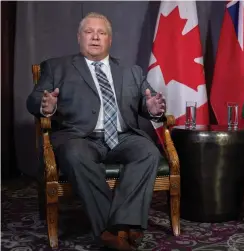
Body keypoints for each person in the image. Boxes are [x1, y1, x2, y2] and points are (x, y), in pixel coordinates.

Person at [26, 12, 166, 250]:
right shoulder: (57, 67)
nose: (95, 38)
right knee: (75, 153)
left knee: (148, 152)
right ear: (79, 37)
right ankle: (107, 232)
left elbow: (149, 102)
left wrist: (153, 108)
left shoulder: (132, 71)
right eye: (89, 32)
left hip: (123, 137)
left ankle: (123, 223)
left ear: (109, 40)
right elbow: (35, 99)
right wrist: (45, 105)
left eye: (101, 33)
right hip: (80, 137)